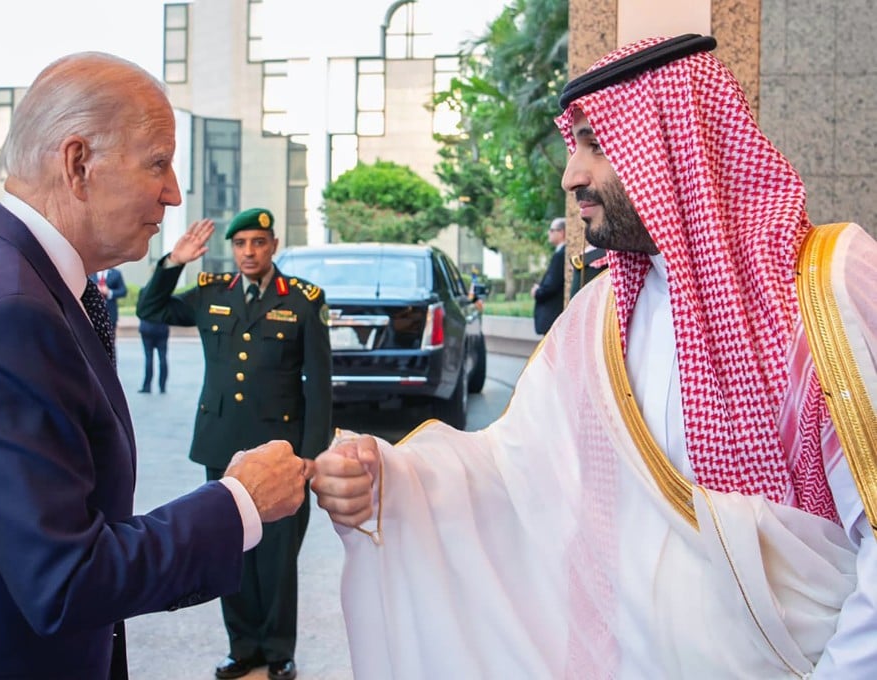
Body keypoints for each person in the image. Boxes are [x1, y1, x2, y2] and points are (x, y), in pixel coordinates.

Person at [310, 34, 877, 678]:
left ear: (676, 139)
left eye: (596, 143)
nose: (571, 175)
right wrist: (391, 481)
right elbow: (514, 470)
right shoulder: (600, 315)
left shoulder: (829, 285)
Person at [0, 52, 312, 679]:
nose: (174, 191)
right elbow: (66, 577)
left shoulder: (3, 280)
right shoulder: (8, 311)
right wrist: (240, 502)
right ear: (78, 164)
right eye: (158, 162)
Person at [136, 208, 332, 680]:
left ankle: (279, 651)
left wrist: (311, 454)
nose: (249, 252)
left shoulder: (302, 300)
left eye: (258, 242)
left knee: (278, 560)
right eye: (241, 243)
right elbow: (151, 309)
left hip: (282, 451)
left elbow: (320, 384)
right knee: (233, 549)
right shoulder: (211, 292)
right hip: (223, 447)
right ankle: (242, 648)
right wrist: (174, 262)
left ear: (273, 245)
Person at [530, 217, 567, 334]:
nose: (548, 233)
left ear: (561, 232)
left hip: (553, 316)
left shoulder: (561, 255)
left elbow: (552, 285)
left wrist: (537, 292)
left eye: (551, 230)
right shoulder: (560, 253)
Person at [91, 266, 128, 338]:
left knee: (110, 338)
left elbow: (123, 291)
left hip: (110, 313)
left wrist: (109, 292)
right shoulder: (91, 273)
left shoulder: (116, 274)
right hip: (93, 313)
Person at [138, 318, 170, 393]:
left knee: (148, 358)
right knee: (162, 358)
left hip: (147, 328)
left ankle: (147, 386)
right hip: (162, 328)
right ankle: (162, 386)